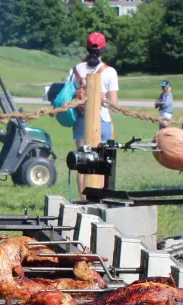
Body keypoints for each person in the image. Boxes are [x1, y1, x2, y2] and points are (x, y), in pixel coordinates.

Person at [66, 31, 119, 193]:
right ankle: (100, 197)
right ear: (104, 49)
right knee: (103, 160)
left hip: (81, 120)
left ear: (86, 48)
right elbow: (114, 104)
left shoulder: (75, 70)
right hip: (102, 120)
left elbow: (67, 94)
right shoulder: (110, 72)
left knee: (82, 160)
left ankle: (83, 200)